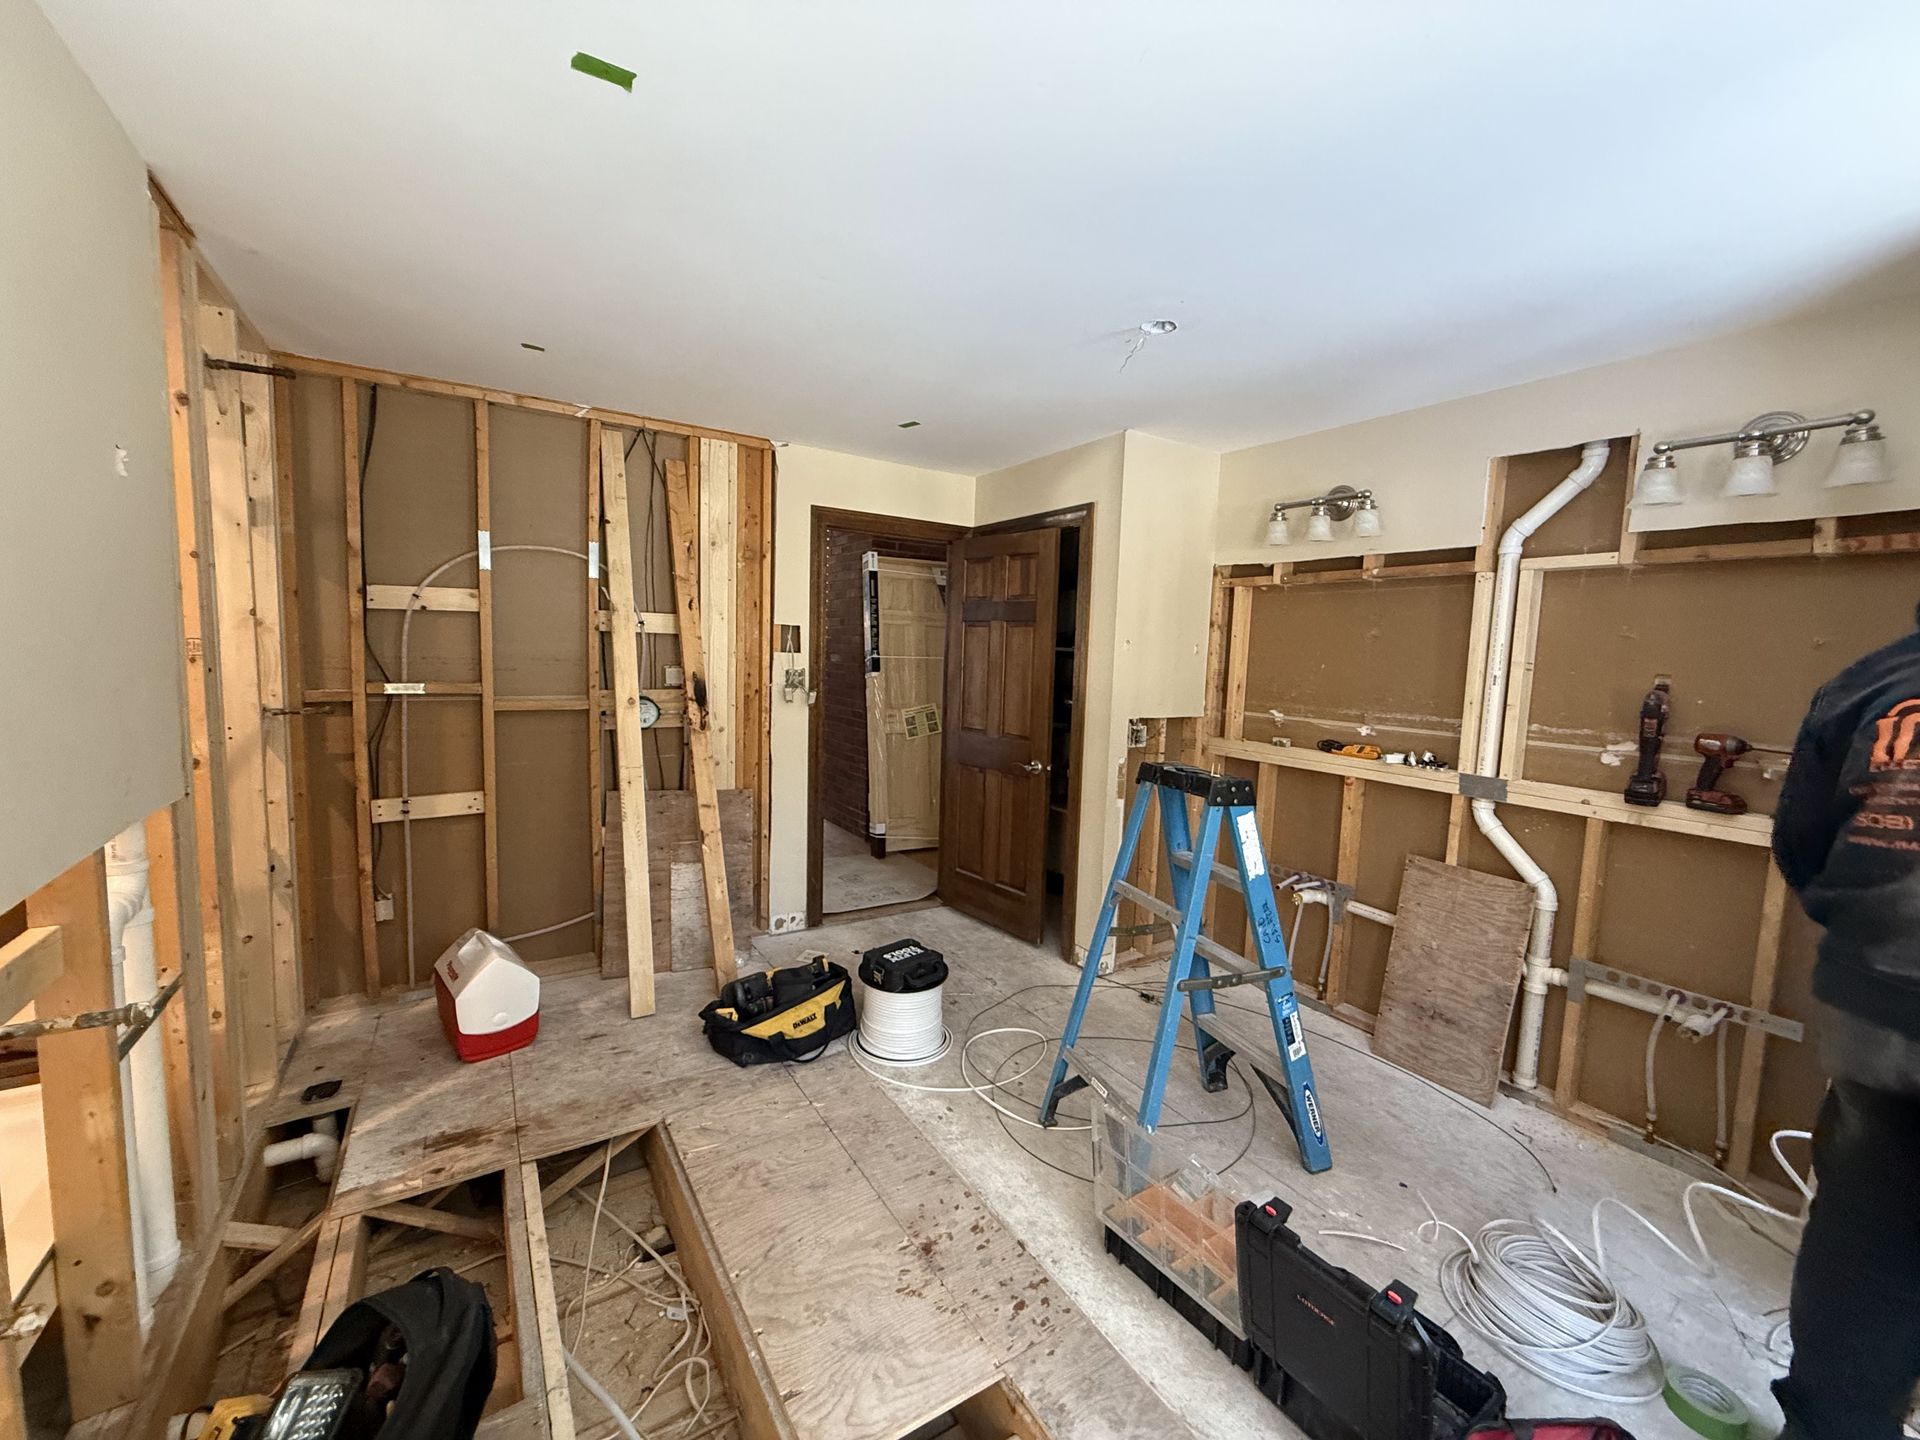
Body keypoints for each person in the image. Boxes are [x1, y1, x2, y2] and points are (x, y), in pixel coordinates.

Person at [1770, 603, 1920, 1439]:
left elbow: (1801, 846)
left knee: (1855, 1317)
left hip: (1879, 1030)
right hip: (1883, 1030)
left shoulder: (1869, 684)